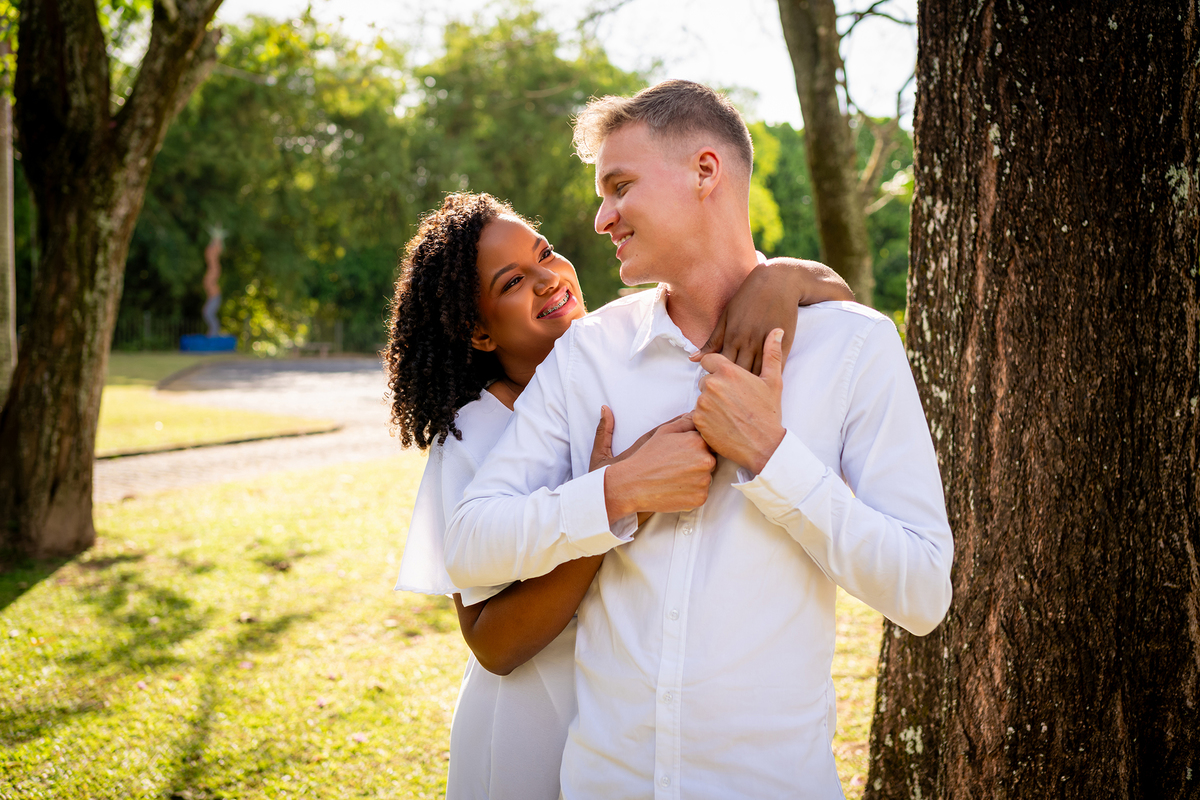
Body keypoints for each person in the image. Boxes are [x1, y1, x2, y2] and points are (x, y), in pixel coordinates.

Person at [445, 80, 954, 798]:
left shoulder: (855, 347)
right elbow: (468, 541)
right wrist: (616, 492)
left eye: (619, 186)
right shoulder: (588, 352)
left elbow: (924, 591)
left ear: (705, 171)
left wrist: (775, 460)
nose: (600, 217)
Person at [385, 192, 854, 800]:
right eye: (512, 282)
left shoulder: (617, 349)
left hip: (632, 720)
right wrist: (617, 499)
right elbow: (491, 644)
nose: (548, 279)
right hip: (536, 720)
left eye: (545, 253)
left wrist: (782, 276)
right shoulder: (475, 434)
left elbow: (842, 304)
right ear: (477, 331)